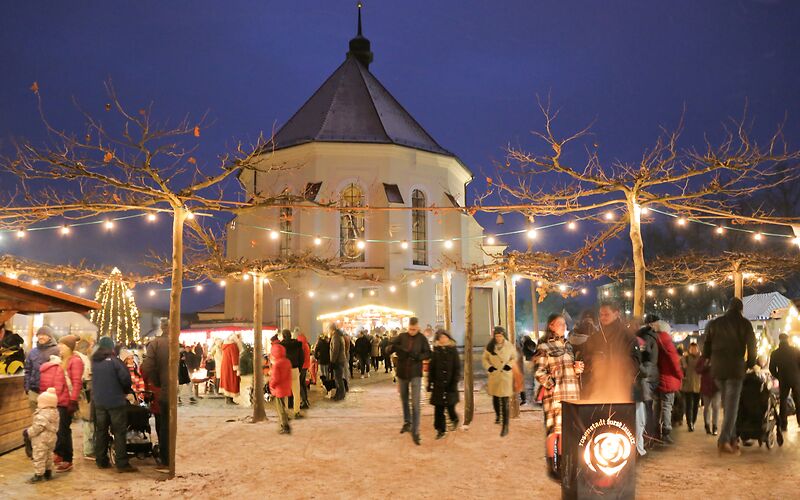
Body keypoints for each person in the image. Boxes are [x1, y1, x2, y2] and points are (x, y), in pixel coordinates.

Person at [702, 297, 757, 455]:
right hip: (735, 369)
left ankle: (733, 440)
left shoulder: (715, 323)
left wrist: (708, 357)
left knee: (728, 406)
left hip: (718, 370)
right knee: (732, 408)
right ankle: (724, 440)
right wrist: (750, 363)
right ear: (741, 309)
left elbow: (706, 345)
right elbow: (752, 345)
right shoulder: (745, 323)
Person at [535, 314, 582, 478]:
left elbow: (571, 371)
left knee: (565, 430)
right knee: (553, 430)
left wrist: (577, 369)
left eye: (564, 324)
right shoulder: (544, 346)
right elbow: (539, 373)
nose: (563, 326)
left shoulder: (569, 346)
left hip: (571, 393)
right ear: (551, 326)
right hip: (555, 395)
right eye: (559, 324)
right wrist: (552, 384)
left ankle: (562, 465)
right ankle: (551, 466)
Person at [38, 335, 83, 473]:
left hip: (67, 402)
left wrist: (73, 400)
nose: (59, 347)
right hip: (59, 400)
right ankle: (59, 454)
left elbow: (76, 382)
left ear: (69, 347)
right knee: (58, 430)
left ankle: (67, 459)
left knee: (64, 431)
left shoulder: (75, 361)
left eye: (62, 345)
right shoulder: (64, 360)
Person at [91, 336, 137, 472]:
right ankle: (121, 463)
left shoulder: (95, 361)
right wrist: (125, 391)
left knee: (101, 431)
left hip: (99, 402)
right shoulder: (115, 362)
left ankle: (101, 461)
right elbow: (125, 379)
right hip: (115, 402)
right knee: (119, 432)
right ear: (111, 348)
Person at [387, 317, 431, 445]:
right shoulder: (402, 336)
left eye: (414, 329)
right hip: (402, 373)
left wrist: (419, 357)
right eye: (410, 329)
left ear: (418, 327)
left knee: (416, 403)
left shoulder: (422, 338)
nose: (412, 331)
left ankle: (415, 430)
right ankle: (407, 422)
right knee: (404, 399)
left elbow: (428, 353)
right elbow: (391, 345)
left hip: (416, 373)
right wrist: (391, 348)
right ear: (408, 327)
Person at [582, 303, 638, 402]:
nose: (603, 317)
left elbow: (635, 361)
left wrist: (614, 361)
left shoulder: (627, 335)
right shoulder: (595, 337)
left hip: (620, 386)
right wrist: (592, 362)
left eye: (606, 314)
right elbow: (586, 359)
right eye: (601, 315)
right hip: (598, 385)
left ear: (616, 314)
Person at [141, 318, 171, 472]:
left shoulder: (156, 343)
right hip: (172, 389)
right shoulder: (175, 344)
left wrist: (153, 379)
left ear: (162, 328)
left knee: (163, 426)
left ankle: (166, 460)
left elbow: (146, 367)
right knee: (170, 424)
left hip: (162, 390)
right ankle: (169, 456)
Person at [651, 320, 682, 444]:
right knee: (667, 406)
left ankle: (655, 431)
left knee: (657, 406)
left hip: (657, 378)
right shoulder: (666, 341)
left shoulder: (655, 340)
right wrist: (680, 375)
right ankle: (666, 431)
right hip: (668, 378)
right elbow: (674, 361)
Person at [482, 326, 516, 437]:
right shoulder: (490, 346)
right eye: (496, 336)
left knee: (505, 401)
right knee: (496, 398)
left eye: (500, 336)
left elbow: (514, 357)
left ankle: (505, 426)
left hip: (506, 376)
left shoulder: (509, 346)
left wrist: (509, 365)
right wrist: (489, 367)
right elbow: (484, 359)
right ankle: (498, 415)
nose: (498, 338)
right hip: (495, 375)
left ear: (503, 336)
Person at [427, 330, 460, 439]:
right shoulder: (435, 352)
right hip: (438, 384)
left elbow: (457, 367)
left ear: (448, 337)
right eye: (440, 337)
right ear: (438, 339)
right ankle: (440, 430)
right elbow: (431, 369)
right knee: (439, 408)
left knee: (450, 406)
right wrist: (430, 383)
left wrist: (454, 381)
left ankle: (454, 418)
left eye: (444, 337)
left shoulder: (453, 350)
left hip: (450, 383)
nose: (443, 339)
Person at [635, 314, 660, 452]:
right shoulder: (650, 337)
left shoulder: (646, 336)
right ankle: (647, 438)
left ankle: (647, 438)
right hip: (649, 376)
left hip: (647, 376)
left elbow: (643, 356)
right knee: (647, 409)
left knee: (646, 409)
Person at [25, 388, 60, 483]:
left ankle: (39, 475)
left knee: (39, 456)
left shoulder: (41, 415)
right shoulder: (55, 412)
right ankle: (48, 472)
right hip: (52, 438)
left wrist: (28, 432)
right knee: (49, 455)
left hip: (41, 440)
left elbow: (37, 428)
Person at [23, 326, 60, 412]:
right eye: (39, 335)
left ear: (50, 336)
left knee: (47, 417)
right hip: (33, 390)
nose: (40, 337)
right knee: (35, 416)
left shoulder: (57, 351)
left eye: (44, 334)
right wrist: (27, 387)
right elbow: (27, 370)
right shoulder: (32, 352)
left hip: (49, 392)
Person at [769, 334, 800, 432]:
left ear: (780, 340)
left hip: (783, 379)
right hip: (796, 379)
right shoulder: (796, 351)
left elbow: (771, 368)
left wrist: (779, 376)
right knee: (798, 401)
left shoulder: (775, 353)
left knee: (783, 402)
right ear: (788, 340)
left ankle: (783, 425)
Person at [269, 343, 292, 434]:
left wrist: (271, 385)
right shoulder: (287, 361)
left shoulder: (277, 364)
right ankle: (286, 421)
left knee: (280, 408)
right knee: (283, 406)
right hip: (286, 387)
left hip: (279, 389)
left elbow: (276, 378)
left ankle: (285, 426)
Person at [281, 329, 304, 418]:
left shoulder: (281, 346)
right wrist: (299, 368)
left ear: (283, 336)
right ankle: (296, 411)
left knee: (284, 392)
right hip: (295, 369)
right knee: (296, 392)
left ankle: (285, 412)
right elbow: (301, 358)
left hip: (284, 370)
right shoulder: (297, 345)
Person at [695, 354, 720, 435]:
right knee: (707, 407)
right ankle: (707, 424)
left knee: (716, 407)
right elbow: (698, 370)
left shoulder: (718, 357)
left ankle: (715, 426)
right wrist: (705, 365)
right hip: (706, 387)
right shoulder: (702, 358)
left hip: (717, 387)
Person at [681, 342, 702, 432]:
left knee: (695, 406)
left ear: (698, 349)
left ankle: (693, 421)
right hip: (688, 385)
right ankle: (690, 423)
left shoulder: (701, 359)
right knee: (689, 405)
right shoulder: (685, 358)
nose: (693, 350)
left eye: (695, 348)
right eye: (692, 348)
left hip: (698, 385)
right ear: (689, 349)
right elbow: (682, 368)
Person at [220, 333, 242, 404]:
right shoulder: (233, 346)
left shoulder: (226, 345)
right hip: (231, 367)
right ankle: (229, 400)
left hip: (225, 366)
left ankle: (228, 399)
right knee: (231, 382)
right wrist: (236, 368)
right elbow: (234, 357)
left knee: (227, 382)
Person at [329, 324, 347, 401]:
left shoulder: (335, 337)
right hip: (340, 359)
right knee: (338, 378)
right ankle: (339, 393)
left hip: (338, 360)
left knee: (338, 378)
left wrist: (332, 361)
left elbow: (335, 350)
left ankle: (341, 394)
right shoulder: (339, 335)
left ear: (331, 329)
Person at [296, 328, 312, 410]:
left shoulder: (300, 343)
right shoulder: (305, 342)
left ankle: (304, 401)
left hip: (302, 366)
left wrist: (298, 365)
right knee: (303, 384)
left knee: (300, 384)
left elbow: (300, 356)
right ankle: (306, 400)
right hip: (306, 365)